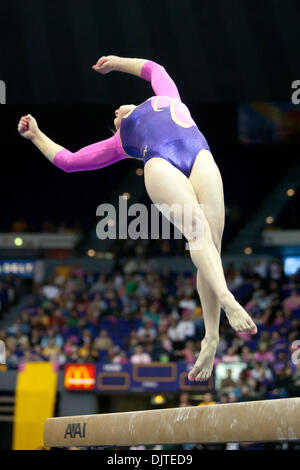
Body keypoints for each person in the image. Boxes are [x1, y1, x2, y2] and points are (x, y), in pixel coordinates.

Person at [18, 54, 257, 382]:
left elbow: (154, 69)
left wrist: (116, 62)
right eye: (114, 116)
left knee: (211, 249)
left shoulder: (165, 97)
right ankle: (228, 300)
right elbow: (70, 161)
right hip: (160, 163)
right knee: (198, 233)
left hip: (200, 155)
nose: (116, 111)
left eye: (118, 109)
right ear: (118, 128)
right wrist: (37, 136)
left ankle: (211, 338)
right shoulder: (120, 141)